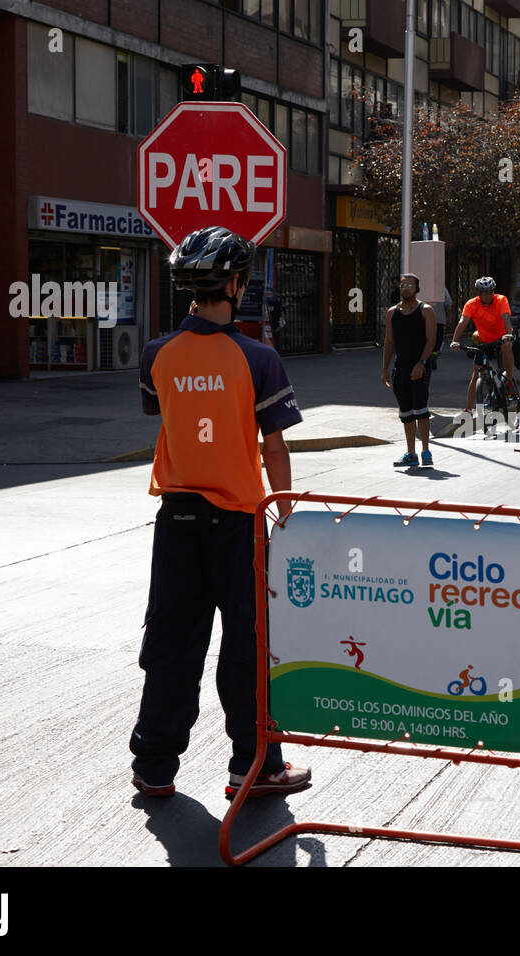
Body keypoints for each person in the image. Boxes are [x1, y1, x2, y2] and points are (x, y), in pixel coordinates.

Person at [132, 225, 310, 801]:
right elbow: (274, 446)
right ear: (237, 284)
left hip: (176, 520)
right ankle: (255, 766)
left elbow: (162, 413)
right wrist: (283, 514)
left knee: (171, 643)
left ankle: (154, 765)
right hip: (238, 523)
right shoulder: (258, 357)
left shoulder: (156, 354)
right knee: (248, 646)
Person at [382, 273, 437, 469]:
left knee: (421, 409)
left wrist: (421, 363)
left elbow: (431, 340)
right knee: (406, 411)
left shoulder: (426, 310)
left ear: (417, 288)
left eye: (410, 285)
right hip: (401, 367)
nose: (405, 288)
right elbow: (389, 342)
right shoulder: (392, 312)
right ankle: (411, 453)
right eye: (402, 285)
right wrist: (385, 369)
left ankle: (426, 451)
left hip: (420, 366)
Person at [449, 276, 516, 417]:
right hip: (484, 341)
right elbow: (463, 322)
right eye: (485, 292)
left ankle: (509, 380)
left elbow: (505, 318)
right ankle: (468, 410)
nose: (488, 295)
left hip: (502, 338)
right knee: (476, 374)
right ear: (479, 293)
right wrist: (455, 340)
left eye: (491, 292)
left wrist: (508, 334)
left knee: (507, 346)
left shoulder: (501, 300)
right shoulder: (471, 304)